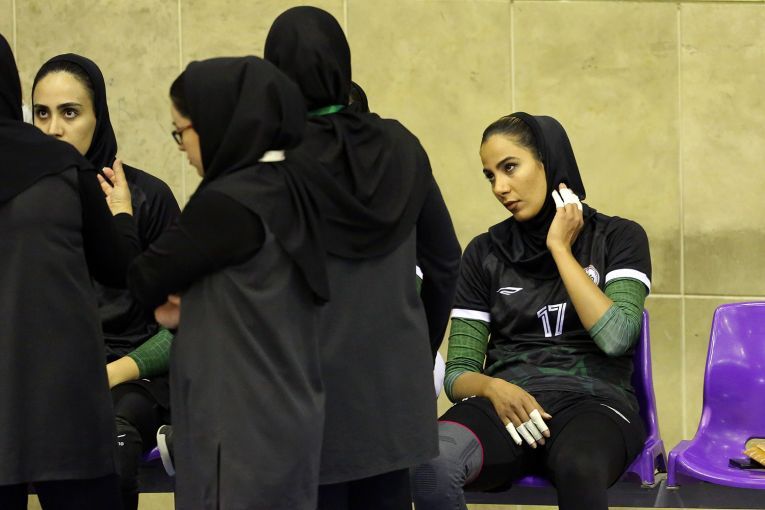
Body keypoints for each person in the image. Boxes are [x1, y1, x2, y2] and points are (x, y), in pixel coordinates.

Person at [103, 56, 329, 510]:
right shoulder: (288, 185)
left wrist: (123, 217)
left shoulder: (228, 202)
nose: (181, 147)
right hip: (285, 411)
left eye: (182, 131)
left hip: (238, 424)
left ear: (218, 124)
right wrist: (196, 304)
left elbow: (143, 279)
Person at [265, 7, 461, 509]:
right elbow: (445, 264)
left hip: (303, 398)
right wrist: (417, 351)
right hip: (392, 396)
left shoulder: (270, 162)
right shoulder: (401, 146)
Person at [411, 113, 652, 510]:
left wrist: (560, 248)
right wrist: (493, 388)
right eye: (490, 176)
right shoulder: (483, 252)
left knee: (580, 468)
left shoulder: (619, 237)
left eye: (510, 167)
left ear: (548, 162)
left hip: (594, 405)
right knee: (429, 464)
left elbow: (617, 338)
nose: (500, 188)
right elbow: (457, 374)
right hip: (505, 407)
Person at [31, 53, 180, 510]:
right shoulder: (25, 201)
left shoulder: (146, 197)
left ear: (99, 118)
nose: (54, 129)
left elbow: (182, 326)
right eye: (42, 114)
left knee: (111, 438)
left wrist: (110, 373)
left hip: (135, 377)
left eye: (69, 113)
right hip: (52, 376)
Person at [0, 34, 138, 509]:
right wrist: (122, 216)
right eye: (42, 112)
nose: (54, 128)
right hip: (62, 399)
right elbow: (119, 268)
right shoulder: (62, 170)